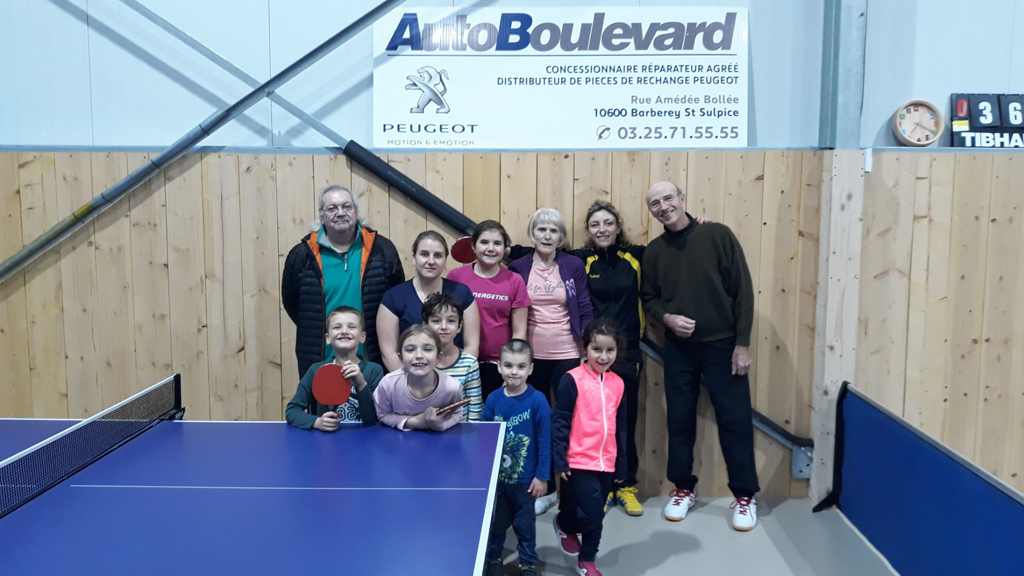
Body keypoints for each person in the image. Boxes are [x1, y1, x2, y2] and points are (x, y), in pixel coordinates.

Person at [641, 181, 760, 531]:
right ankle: (683, 489)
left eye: (668, 198)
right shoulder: (654, 251)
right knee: (679, 420)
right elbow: (648, 298)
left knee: (735, 421)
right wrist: (667, 318)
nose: (663, 206)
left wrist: (743, 344)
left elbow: (743, 290)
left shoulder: (717, 235)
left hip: (724, 346)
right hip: (679, 350)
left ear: (683, 199)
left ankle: (745, 497)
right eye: (654, 203)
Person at [508, 207, 594, 515]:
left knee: (566, 422)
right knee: (535, 420)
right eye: (541, 229)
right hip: (530, 356)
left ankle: (568, 489)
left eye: (554, 230)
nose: (547, 235)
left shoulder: (573, 265)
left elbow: (584, 306)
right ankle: (542, 487)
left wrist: (586, 346)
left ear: (561, 237)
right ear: (532, 234)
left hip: (568, 353)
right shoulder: (518, 266)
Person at [282, 184, 404, 375]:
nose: (340, 213)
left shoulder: (382, 250)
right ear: (322, 216)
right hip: (319, 358)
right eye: (331, 208)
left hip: (372, 359)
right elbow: (293, 304)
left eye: (347, 206)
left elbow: (396, 300)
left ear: (356, 212)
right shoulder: (301, 256)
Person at [551, 318, 627, 576]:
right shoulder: (572, 379)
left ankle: (588, 560)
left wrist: (621, 464)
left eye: (610, 350)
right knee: (592, 513)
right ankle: (565, 524)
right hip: (578, 459)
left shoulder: (619, 383)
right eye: (597, 349)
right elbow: (560, 421)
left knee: (597, 515)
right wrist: (560, 458)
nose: (603, 357)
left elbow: (622, 427)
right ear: (585, 348)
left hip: (607, 461)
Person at [482, 339, 551, 576]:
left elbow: (545, 441)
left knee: (525, 526)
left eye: (521, 367)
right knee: (496, 524)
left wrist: (542, 476)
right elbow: (485, 438)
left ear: (530, 369)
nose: (514, 372)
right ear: (499, 367)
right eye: (509, 365)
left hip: (526, 481)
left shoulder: (538, 401)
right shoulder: (493, 399)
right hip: (499, 481)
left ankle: (528, 562)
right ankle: (493, 559)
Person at [447, 220, 531, 399]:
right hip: (461, 362)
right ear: (473, 246)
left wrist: (511, 368)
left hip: (499, 366)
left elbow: (519, 332)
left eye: (497, 243)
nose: (490, 248)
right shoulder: (455, 277)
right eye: (484, 242)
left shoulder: (515, 280)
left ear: (505, 248)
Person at [377, 230, 479, 373]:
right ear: (414, 259)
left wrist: (455, 378)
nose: (431, 261)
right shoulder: (393, 297)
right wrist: (413, 381)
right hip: (410, 379)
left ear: (445, 261)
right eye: (424, 254)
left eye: (438, 255)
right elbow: (389, 353)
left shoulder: (462, 292)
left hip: (456, 378)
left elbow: (472, 345)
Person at [285, 306, 385, 430]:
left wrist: (361, 384)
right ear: (327, 338)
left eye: (352, 327)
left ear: (362, 337)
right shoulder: (316, 370)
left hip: (364, 438)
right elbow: (292, 410)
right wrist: (316, 422)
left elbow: (372, 419)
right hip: (327, 439)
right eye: (337, 327)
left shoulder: (374, 370)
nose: (344, 331)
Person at [373, 324, 465, 431]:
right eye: (410, 350)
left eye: (427, 349)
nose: (419, 356)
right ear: (400, 357)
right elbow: (383, 414)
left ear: (438, 357)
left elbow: (457, 413)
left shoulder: (452, 387)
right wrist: (415, 422)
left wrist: (441, 425)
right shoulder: (388, 384)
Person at [421, 292, 483, 422]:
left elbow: (475, 410)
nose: (444, 327)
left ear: (459, 327)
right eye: (436, 321)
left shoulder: (469, 363)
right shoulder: (418, 361)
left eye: (451, 321)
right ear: (425, 326)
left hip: (461, 431)